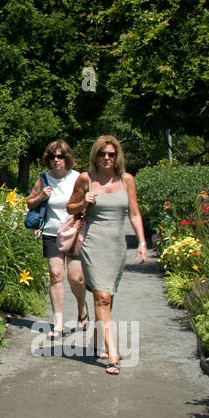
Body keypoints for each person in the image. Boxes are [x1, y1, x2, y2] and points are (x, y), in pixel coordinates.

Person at [66, 134, 147, 374]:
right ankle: (113, 354)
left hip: (116, 247)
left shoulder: (127, 180)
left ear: (117, 156)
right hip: (93, 244)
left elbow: (134, 213)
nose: (107, 158)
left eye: (111, 154)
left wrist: (142, 242)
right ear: (96, 156)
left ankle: (96, 338)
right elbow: (70, 206)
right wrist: (83, 203)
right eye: (102, 154)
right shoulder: (85, 179)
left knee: (106, 298)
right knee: (101, 296)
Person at [27, 140, 87, 341]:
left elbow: (88, 201)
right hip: (51, 233)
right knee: (55, 275)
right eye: (52, 157)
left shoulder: (78, 178)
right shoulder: (44, 180)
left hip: (74, 232)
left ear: (67, 158)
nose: (56, 161)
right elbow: (29, 202)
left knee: (76, 277)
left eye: (60, 157)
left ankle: (81, 307)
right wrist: (41, 197)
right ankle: (59, 323)